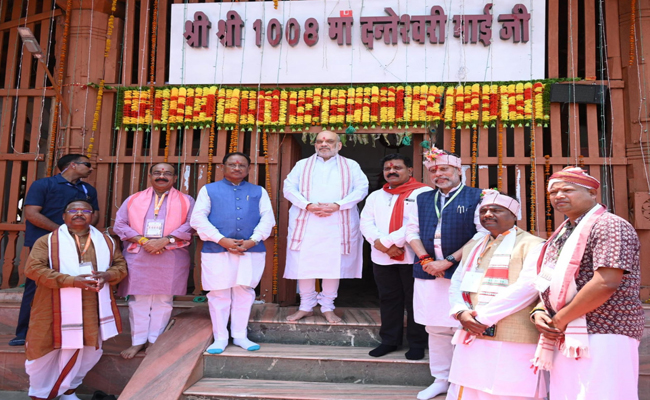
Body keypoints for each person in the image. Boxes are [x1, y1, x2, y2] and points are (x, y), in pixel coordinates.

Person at [530, 167, 644, 400]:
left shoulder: (609, 225)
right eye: (553, 192)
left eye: (567, 190)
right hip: (567, 330)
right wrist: (540, 310)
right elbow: (550, 280)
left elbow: (606, 282)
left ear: (592, 193)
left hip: (606, 330)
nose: (559, 196)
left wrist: (559, 319)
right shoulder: (564, 232)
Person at [446, 190, 546, 400]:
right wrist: (460, 311)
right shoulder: (474, 245)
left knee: (508, 390)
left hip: (512, 333)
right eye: (483, 211)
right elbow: (457, 282)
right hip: (472, 328)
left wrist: (483, 318)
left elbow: (528, 287)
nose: (488, 214)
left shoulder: (533, 244)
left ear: (514, 214)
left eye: (496, 210)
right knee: (470, 387)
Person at [24, 199, 127, 400]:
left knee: (89, 351)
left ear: (92, 216)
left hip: (92, 306)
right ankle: (40, 394)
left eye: (85, 211)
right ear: (64, 216)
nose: (79, 214)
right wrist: (71, 281)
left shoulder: (107, 242)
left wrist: (108, 275)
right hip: (52, 305)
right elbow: (33, 269)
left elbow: (120, 266)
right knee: (42, 350)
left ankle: (68, 391)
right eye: (73, 210)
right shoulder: (47, 241)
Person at [405, 147, 486, 400]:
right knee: (436, 328)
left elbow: (483, 234)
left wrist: (448, 261)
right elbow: (411, 231)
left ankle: (462, 381)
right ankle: (440, 379)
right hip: (428, 270)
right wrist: (426, 260)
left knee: (464, 325)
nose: (438, 174)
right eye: (433, 170)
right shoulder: (421, 198)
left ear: (458, 170)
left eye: (444, 168)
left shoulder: (478, 196)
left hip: (464, 271)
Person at [11, 154, 99, 347]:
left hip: (78, 244)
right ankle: (24, 333)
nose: (91, 168)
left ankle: (71, 332)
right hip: (45, 243)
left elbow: (95, 215)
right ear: (73, 165)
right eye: (87, 164)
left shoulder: (88, 189)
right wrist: (61, 232)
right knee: (36, 286)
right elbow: (31, 214)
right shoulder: (43, 185)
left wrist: (76, 234)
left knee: (75, 284)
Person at [191, 152, 275, 354]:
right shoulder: (209, 190)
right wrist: (221, 240)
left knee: (244, 292)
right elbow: (198, 219)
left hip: (250, 250)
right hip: (216, 249)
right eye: (232, 164)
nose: (237, 168)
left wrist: (253, 240)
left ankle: (239, 335)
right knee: (218, 293)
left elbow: (268, 219)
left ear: (249, 169)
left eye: (241, 165)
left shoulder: (258, 191)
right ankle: (220, 337)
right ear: (223, 167)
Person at [283, 130, 369, 323]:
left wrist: (338, 205)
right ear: (315, 145)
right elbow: (288, 188)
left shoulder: (351, 165)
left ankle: (328, 307)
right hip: (307, 222)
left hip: (337, 223)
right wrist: (308, 205)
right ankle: (305, 307)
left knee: (333, 265)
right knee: (304, 265)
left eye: (329, 141)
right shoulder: (302, 165)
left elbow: (361, 189)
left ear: (339, 145)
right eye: (320, 141)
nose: (324, 144)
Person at [113, 163, 195, 359]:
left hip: (171, 253)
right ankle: (137, 342)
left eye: (167, 173)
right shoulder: (133, 199)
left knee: (164, 300)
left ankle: (154, 341)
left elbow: (192, 224)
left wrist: (165, 241)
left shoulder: (186, 200)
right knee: (138, 300)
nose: (162, 176)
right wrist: (143, 241)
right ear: (150, 176)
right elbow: (120, 224)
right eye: (157, 172)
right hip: (139, 253)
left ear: (175, 178)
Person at [360, 154, 429, 360]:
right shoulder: (375, 196)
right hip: (382, 256)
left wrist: (390, 242)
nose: (392, 171)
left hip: (412, 255)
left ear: (410, 170)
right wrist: (381, 244)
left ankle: (417, 343)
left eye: (397, 168)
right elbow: (366, 222)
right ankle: (389, 341)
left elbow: (415, 223)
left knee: (415, 300)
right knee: (388, 299)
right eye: (388, 169)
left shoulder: (423, 193)